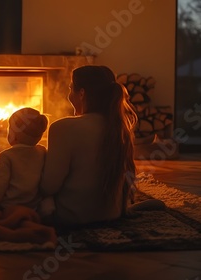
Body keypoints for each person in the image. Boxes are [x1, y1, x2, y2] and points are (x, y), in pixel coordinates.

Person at [40, 65, 164, 227]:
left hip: (71, 217)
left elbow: (48, 187)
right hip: (112, 215)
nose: (69, 94)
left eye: (71, 88)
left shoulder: (62, 128)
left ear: (82, 93)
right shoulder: (120, 128)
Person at [0, 107, 50, 212]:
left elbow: (0, 185)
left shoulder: (7, 156)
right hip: (32, 206)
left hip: (9, 206)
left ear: (14, 136)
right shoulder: (42, 151)